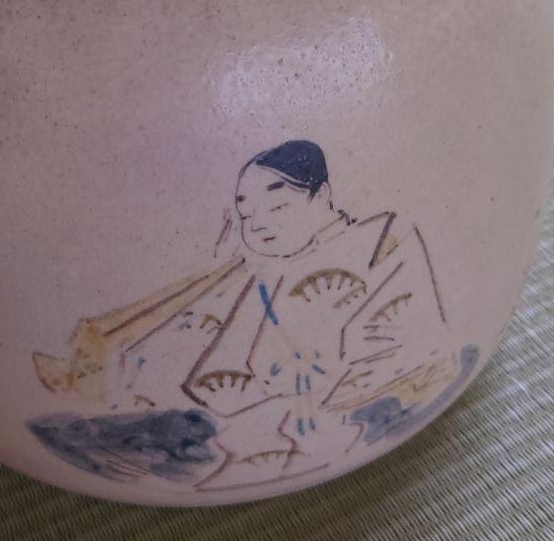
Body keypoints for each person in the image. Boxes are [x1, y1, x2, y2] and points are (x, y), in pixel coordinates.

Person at [33, 140, 457, 491]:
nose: (257, 225)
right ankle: (96, 373)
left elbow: (398, 340)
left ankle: (101, 381)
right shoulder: (281, 260)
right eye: (247, 214)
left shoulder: (379, 242)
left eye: (276, 207)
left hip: (331, 403)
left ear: (322, 196)